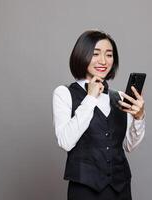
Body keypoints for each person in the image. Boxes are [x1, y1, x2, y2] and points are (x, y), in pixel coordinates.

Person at [52, 30, 146, 200]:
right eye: (96, 54)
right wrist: (90, 98)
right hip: (85, 189)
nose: (103, 61)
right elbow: (65, 142)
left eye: (109, 55)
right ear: (82, 55)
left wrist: (139, 118)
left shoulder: (119, 97)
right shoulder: (64, 93)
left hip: (121, 187)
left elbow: (128, 146)